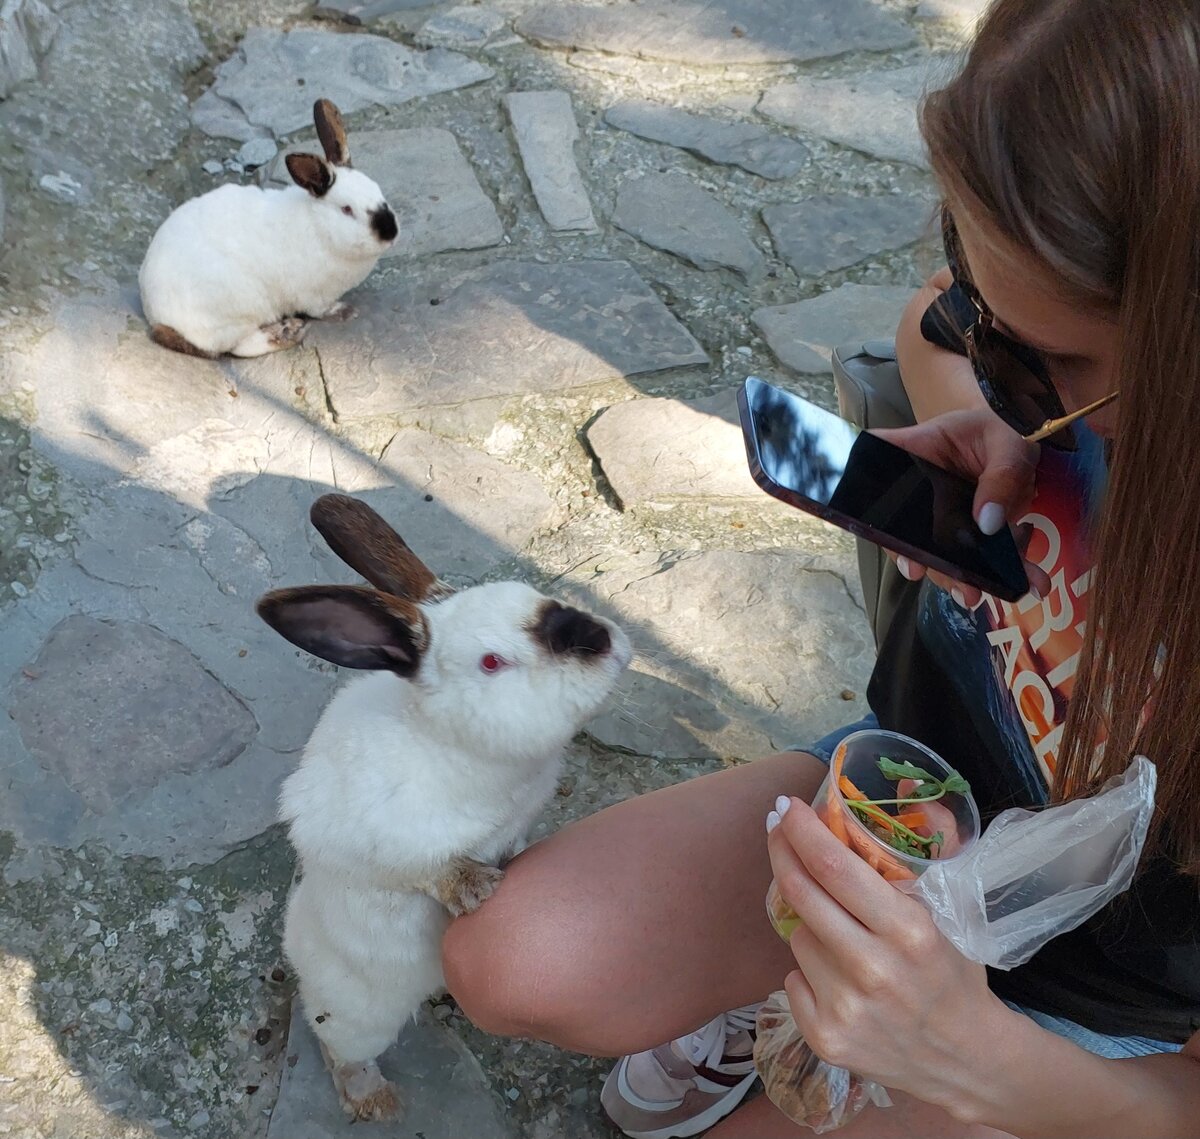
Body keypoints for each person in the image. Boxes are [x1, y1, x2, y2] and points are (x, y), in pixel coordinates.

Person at [441, 0, 1200, 1134]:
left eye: (1055, 365)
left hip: (1099, 1015)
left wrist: (981, 1061)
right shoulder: (1063, 378)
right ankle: (785, 1005)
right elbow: (928, 335)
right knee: (510, 957)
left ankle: (863, 1041)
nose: (1004, 362)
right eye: (990, 306)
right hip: (902, 807)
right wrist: (1003, 424)